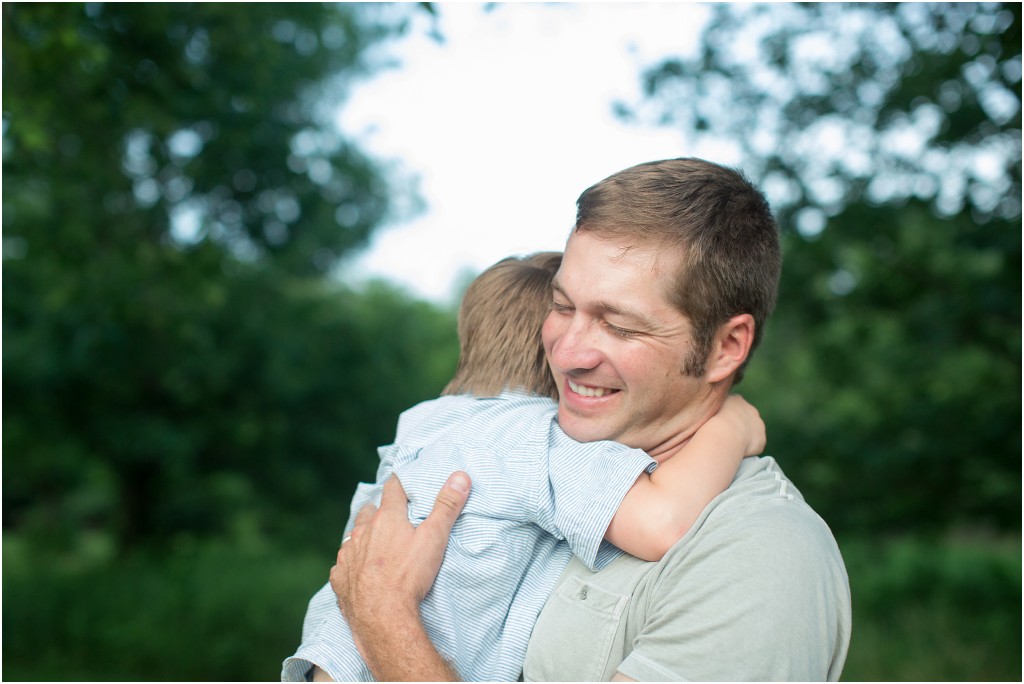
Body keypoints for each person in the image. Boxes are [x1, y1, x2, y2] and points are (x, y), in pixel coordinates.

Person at [326, 158, 853, 681]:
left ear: (725, 347)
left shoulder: (758, 557)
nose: (567, 353)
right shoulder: (543, 454)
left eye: (619, 325)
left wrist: (385, 620)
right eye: (560, 306)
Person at [283, 251, 766, 681]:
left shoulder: (425, 421)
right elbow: (662, 524)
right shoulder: (534, 440)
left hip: (331, 658)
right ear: (558, 358)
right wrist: (732, 426)